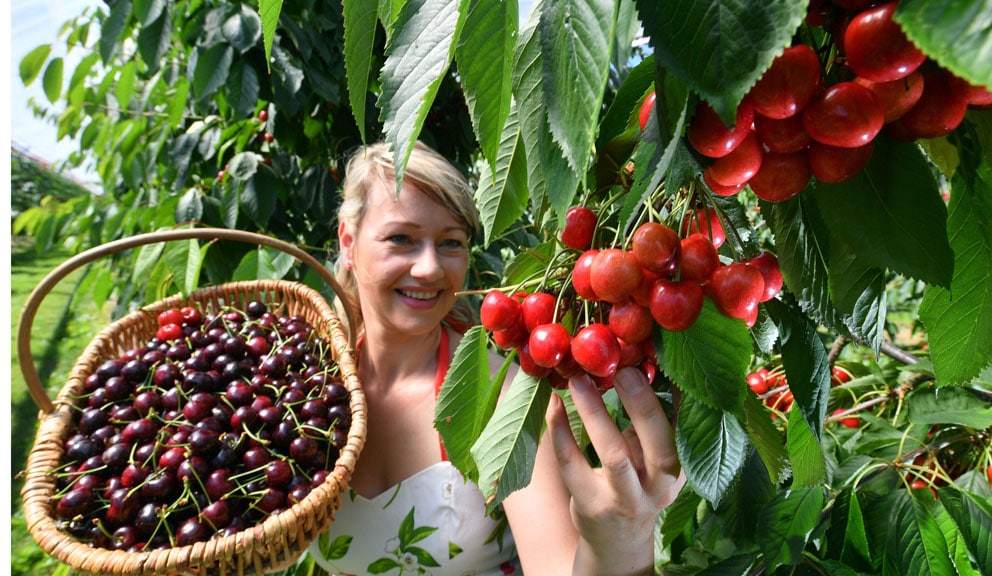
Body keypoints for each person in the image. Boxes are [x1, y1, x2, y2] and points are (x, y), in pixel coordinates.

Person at [307, 141, 685, 575]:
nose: (430, 268)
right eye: (401, 238)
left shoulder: (500, 394)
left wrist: (620, 544)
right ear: (348, 243)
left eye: (450, 243)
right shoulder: (308, 387)